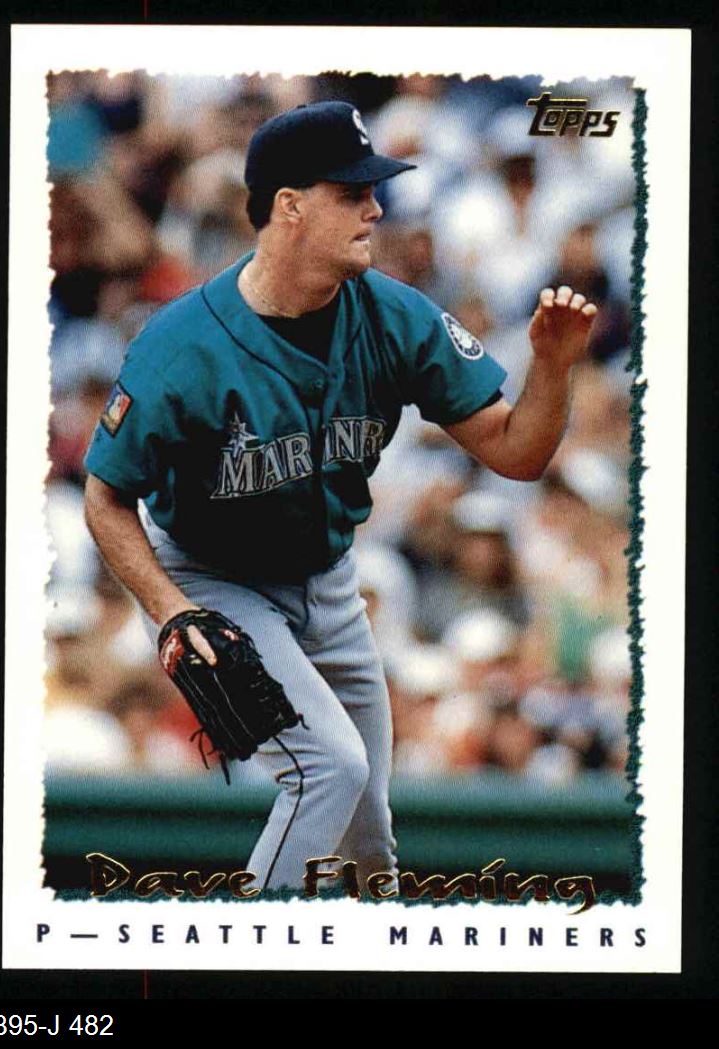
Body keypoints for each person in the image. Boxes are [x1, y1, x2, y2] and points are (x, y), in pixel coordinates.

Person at [83, 100, 597, 893]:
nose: (375, 208)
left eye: (373, 190)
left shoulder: (392, 315)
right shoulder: (182, 345)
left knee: (367, 842)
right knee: (329, 767)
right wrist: (170, 609)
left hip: (328, 581)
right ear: (289, 206)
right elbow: (105, 495)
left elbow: (516, 452)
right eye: (352, 192)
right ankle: (249, 949)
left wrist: (553, 368)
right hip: (215, 579)